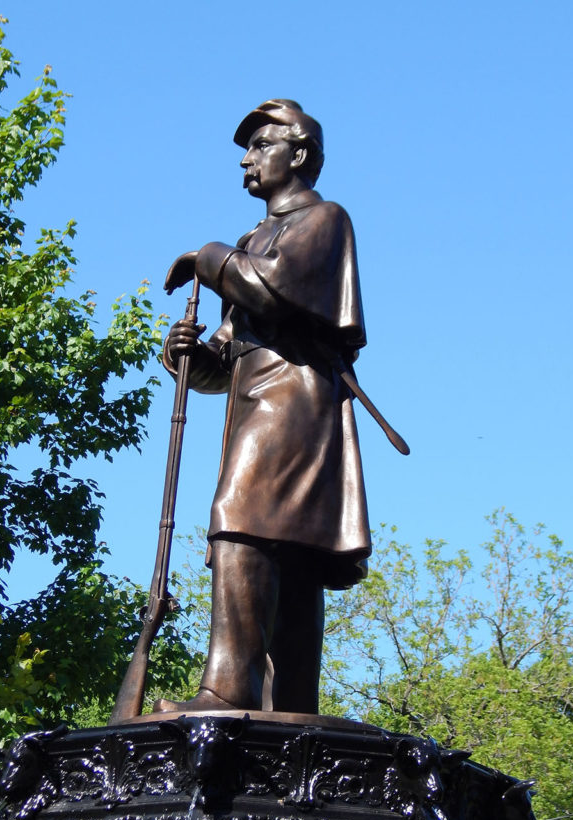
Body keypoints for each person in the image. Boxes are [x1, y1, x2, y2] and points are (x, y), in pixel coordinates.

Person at [153, 99, 371, 716]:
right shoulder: (255, 239)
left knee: (239, 519)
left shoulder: (324, 220)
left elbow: (270, 289)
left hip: (295, 402)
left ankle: (227, 690)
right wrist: (189, 357)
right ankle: (290, 703)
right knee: (286, 549)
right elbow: (230, 351)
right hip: (256, 403)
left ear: (298, 155)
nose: (247, 161)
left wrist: (207, 256)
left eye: (261, 146)